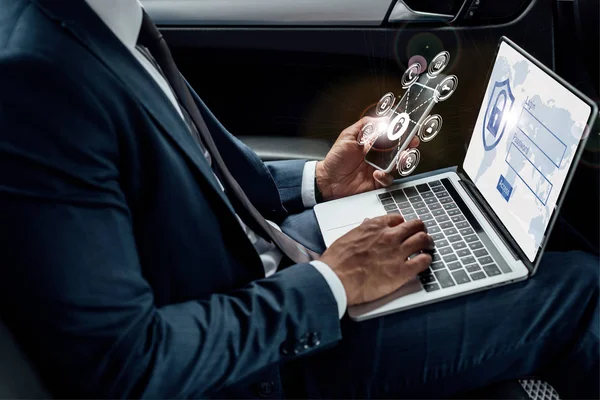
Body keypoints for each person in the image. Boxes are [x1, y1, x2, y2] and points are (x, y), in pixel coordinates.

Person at [0, 0, 597, 398]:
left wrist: (319, 184)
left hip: (269, 265)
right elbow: (127, 367)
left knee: (499, 235)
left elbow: (196, 177)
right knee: (582, 284)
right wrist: (335, 283)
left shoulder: (102, 19)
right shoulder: (37, 76)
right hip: (265, 355)